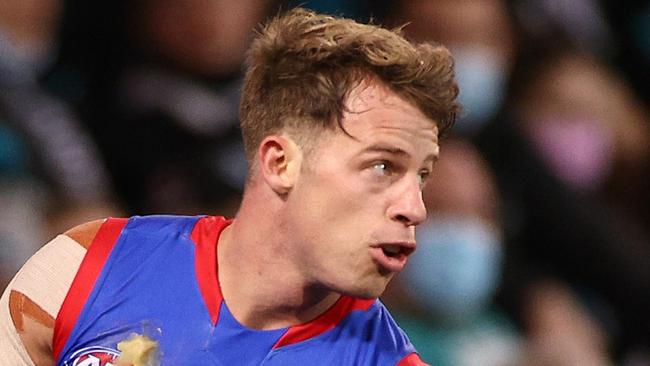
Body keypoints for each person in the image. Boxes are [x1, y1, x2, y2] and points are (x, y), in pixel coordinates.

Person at [0, 7, 459, 366]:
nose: (415, 208)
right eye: (382, 167)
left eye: (421, 175)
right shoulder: (84, 270)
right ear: (281, 163)